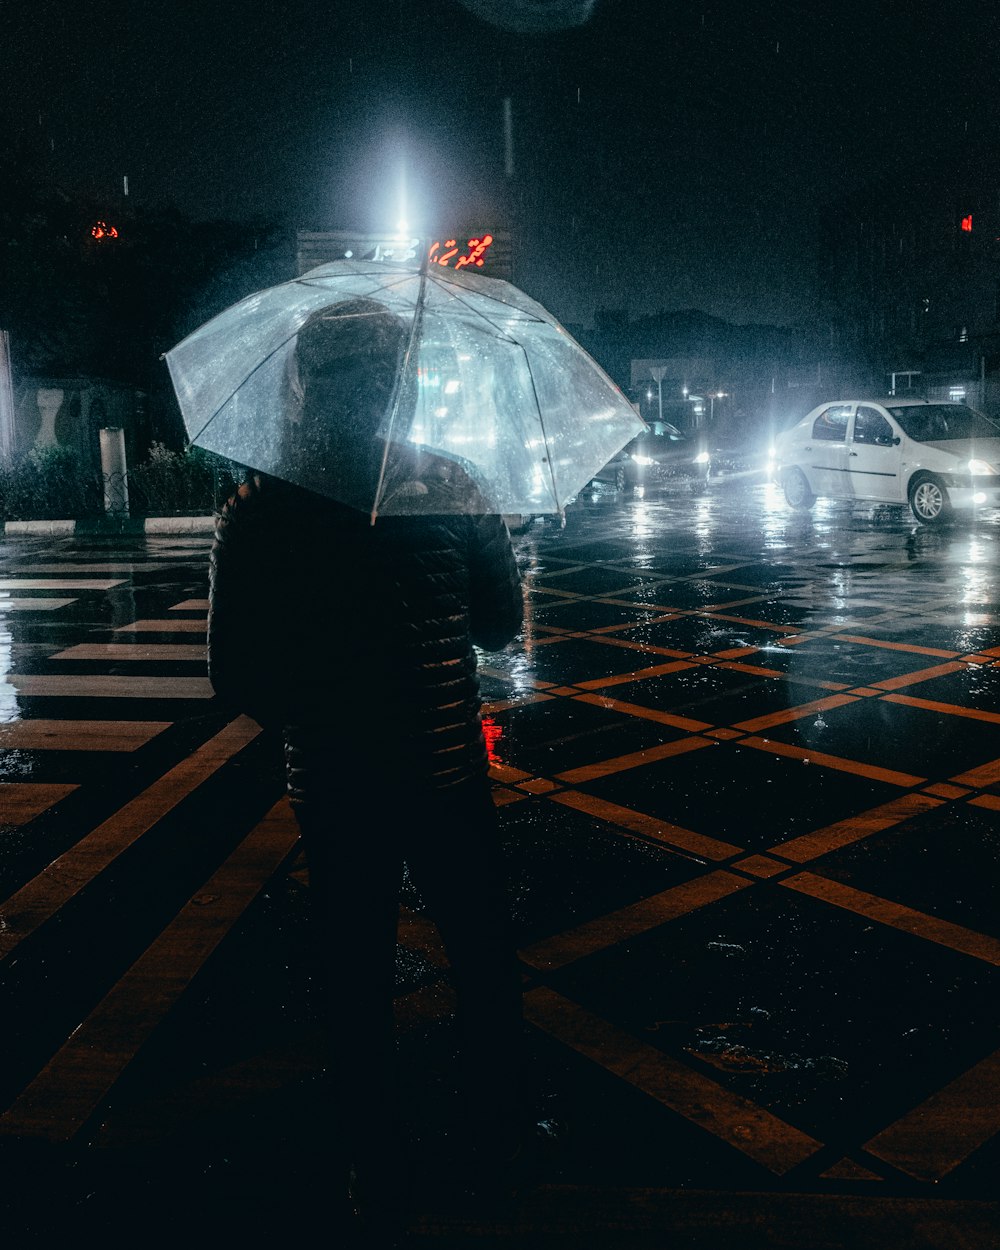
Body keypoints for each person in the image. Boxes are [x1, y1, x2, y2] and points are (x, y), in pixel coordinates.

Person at [206, 299, 526, 1245]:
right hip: (444, 776)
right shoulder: (456, 487)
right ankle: (497, 1152)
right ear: (401, 381)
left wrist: (318, 708)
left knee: (353, 981)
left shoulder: (259, 510)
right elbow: (501, 627)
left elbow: (233, 675)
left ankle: (375, 1171)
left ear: (304, 386)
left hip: (337, 787)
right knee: (480, 963)